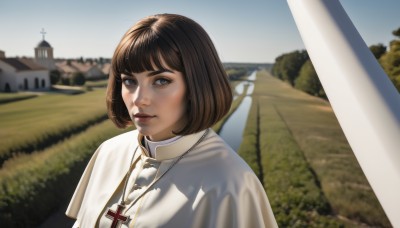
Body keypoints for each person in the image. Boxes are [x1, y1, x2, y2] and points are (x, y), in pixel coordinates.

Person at [66, 13, 277, 228]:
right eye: (129, 80)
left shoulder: (231, 184)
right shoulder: (108, 152)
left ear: (197, 84)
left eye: (160, 80)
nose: (139, 99)